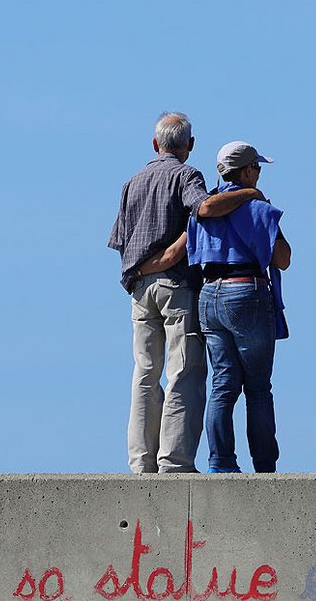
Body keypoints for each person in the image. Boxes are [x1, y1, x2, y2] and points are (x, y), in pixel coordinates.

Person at [108, 114, 262, 473]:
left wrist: (143, 268)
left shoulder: (132, 182)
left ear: (154, 143)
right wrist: (249, 194)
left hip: (139, 290)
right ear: (189, 146)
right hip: (176, 286)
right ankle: (174, 461)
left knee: (145, 372)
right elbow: (204, 208)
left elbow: (119, 241)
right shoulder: (186, 175)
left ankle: (141, 461)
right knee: (185, 371)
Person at [187, 141, 292, 474]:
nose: (259, 175)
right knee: (258, 387)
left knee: (223, 383)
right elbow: (283, 259)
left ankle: (220, 463)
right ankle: (264, 466)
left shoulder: (202, 208)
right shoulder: (258, 206)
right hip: (246, 292)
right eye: (257, 168)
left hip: (208, 295)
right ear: (246, 171)